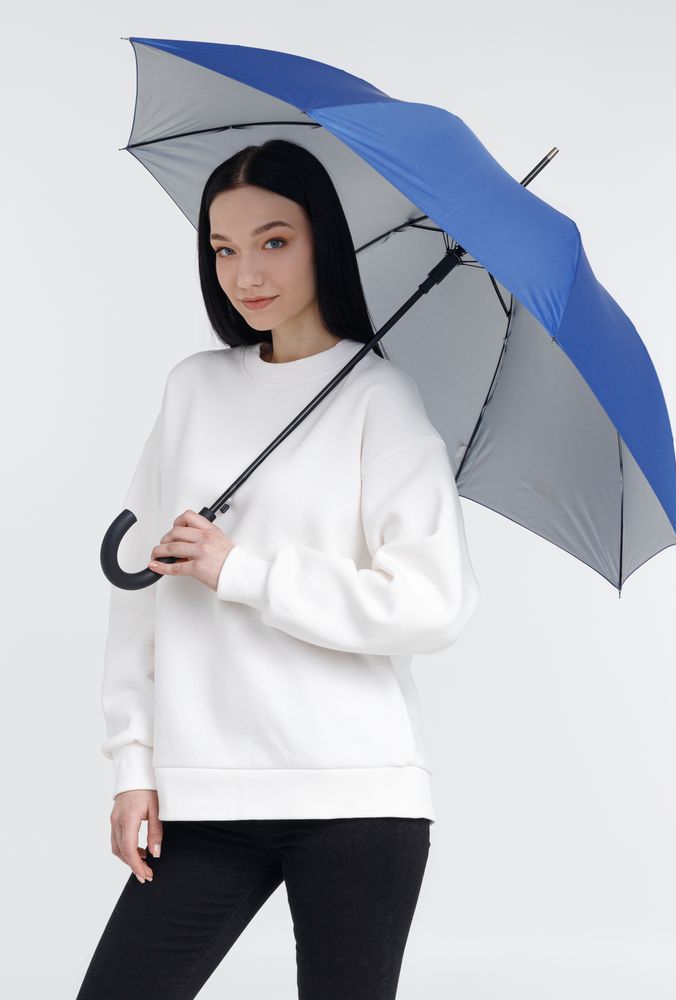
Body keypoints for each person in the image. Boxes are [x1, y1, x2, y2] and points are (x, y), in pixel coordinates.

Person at [75, 139, 480, 1000]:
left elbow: (434, 603)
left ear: (321, 241)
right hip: (203, 797)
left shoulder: (379, 399)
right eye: (223, 249)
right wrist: (132, 764)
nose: (246, 273)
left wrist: (246, 573)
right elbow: (137, 592)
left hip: (354, 795)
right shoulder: (192, 389)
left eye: (274, 241)